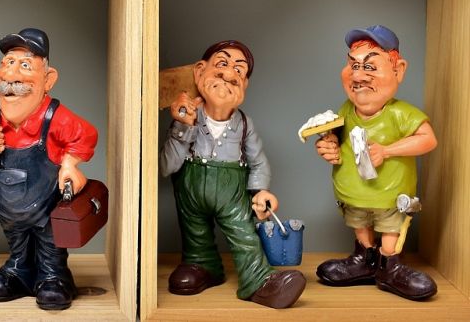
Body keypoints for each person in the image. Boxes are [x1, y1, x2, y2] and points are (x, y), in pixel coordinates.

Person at [160, 40, 305, 309]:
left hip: (232, 195)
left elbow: (258, 162)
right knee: (195, 233)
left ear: (245, 84)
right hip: (191, 191)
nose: (228, 74)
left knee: (244, 235)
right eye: (222, 64)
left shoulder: (245, 124)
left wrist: (261, 191)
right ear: (200, 71)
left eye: (239, 70)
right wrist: (182, 127)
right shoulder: (187, 115)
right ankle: (202, 265)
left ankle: (259, 280)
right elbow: (167, 166)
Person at [0, 27, 97, 311]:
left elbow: (85, 134)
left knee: (49, 240)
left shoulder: (54, 117)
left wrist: (70, 164)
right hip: (9, 210)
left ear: (48, 80)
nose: (11, 75)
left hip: (46, 204)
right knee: (17, 240)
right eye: (8, 63)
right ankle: (19, 270)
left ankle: (52, 275)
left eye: (25, 65)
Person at [309, 25, 438, 300]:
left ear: (398, 70)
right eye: (353, 65)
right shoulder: (346, 109)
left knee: (391, 229)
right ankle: (364, 261)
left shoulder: (401, 114)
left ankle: (390, 266)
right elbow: (336, 136)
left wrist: (388, 150)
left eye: (369, 67)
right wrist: (328, 144)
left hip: (389, 195)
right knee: (360, 224)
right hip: (352, 194)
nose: (358, 76)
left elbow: (428, 140)